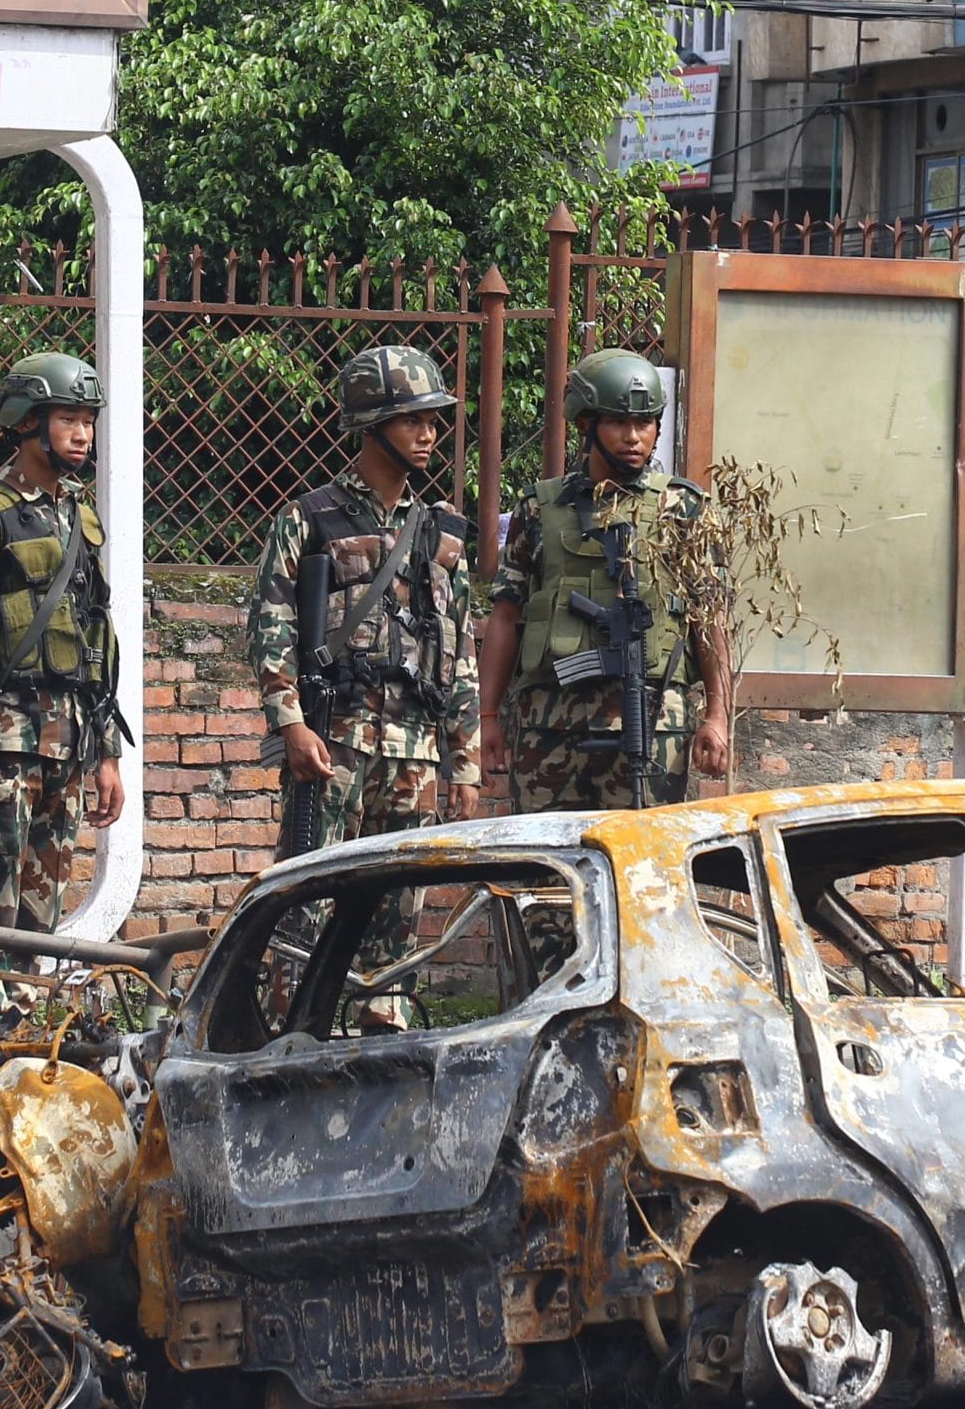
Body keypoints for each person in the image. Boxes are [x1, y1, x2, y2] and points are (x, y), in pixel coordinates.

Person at [247, 344, 481, 987]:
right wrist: (290, 723)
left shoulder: (443, 533)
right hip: (335, 741)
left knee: (397, 920)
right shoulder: (309, 518)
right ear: (371, 425)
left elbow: (459, 654)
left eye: (434, 420)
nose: (430, 433)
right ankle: (278, 1047)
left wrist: (463, 761)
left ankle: (383, 1047)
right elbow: (270, 626)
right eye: (413, 420)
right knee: (304, 910)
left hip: (416, 754)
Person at [0, 352, 127, 1002]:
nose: (81, 433)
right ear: (27, 422)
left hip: (68, 745)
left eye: (87, 420)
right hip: (3, 742)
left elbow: (97, 637)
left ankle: (22, 1039)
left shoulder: (78, 520)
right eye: (68, 418)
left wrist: (108, 756)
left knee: (44, 909)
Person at [478, 348, 729, 812]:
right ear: (585, 425)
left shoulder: (685, 509)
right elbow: (507, 613)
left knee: (644, 864)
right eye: (617, 422)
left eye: (645, 422)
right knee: (543, 862)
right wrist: (488, 716)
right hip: (548, 723)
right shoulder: (538, 509)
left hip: (651, 722)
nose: (634, 437)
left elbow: (708, 617)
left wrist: (717, 714)